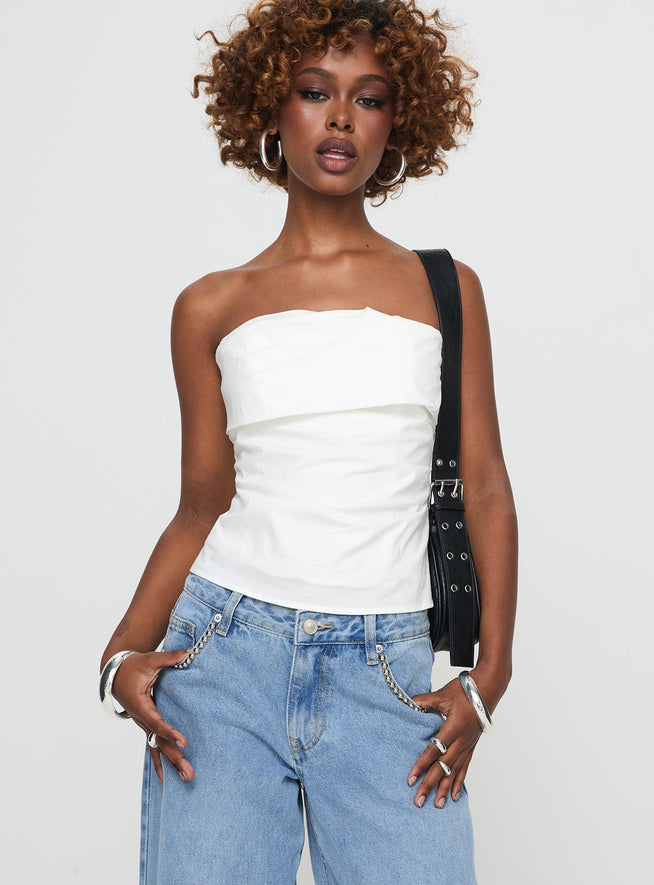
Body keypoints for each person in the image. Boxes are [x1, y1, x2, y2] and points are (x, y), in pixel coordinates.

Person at [99, 1, 518, 882]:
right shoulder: (210, 305)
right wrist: (120, 656)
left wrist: (491, 672)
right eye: (315, 91)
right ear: (270, 107)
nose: (341, 119)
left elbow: (484, 486)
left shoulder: (446, 288)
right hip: (225, 660)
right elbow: (202, 504)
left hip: (389, 670)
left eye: (369, 98)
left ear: (397, 123)